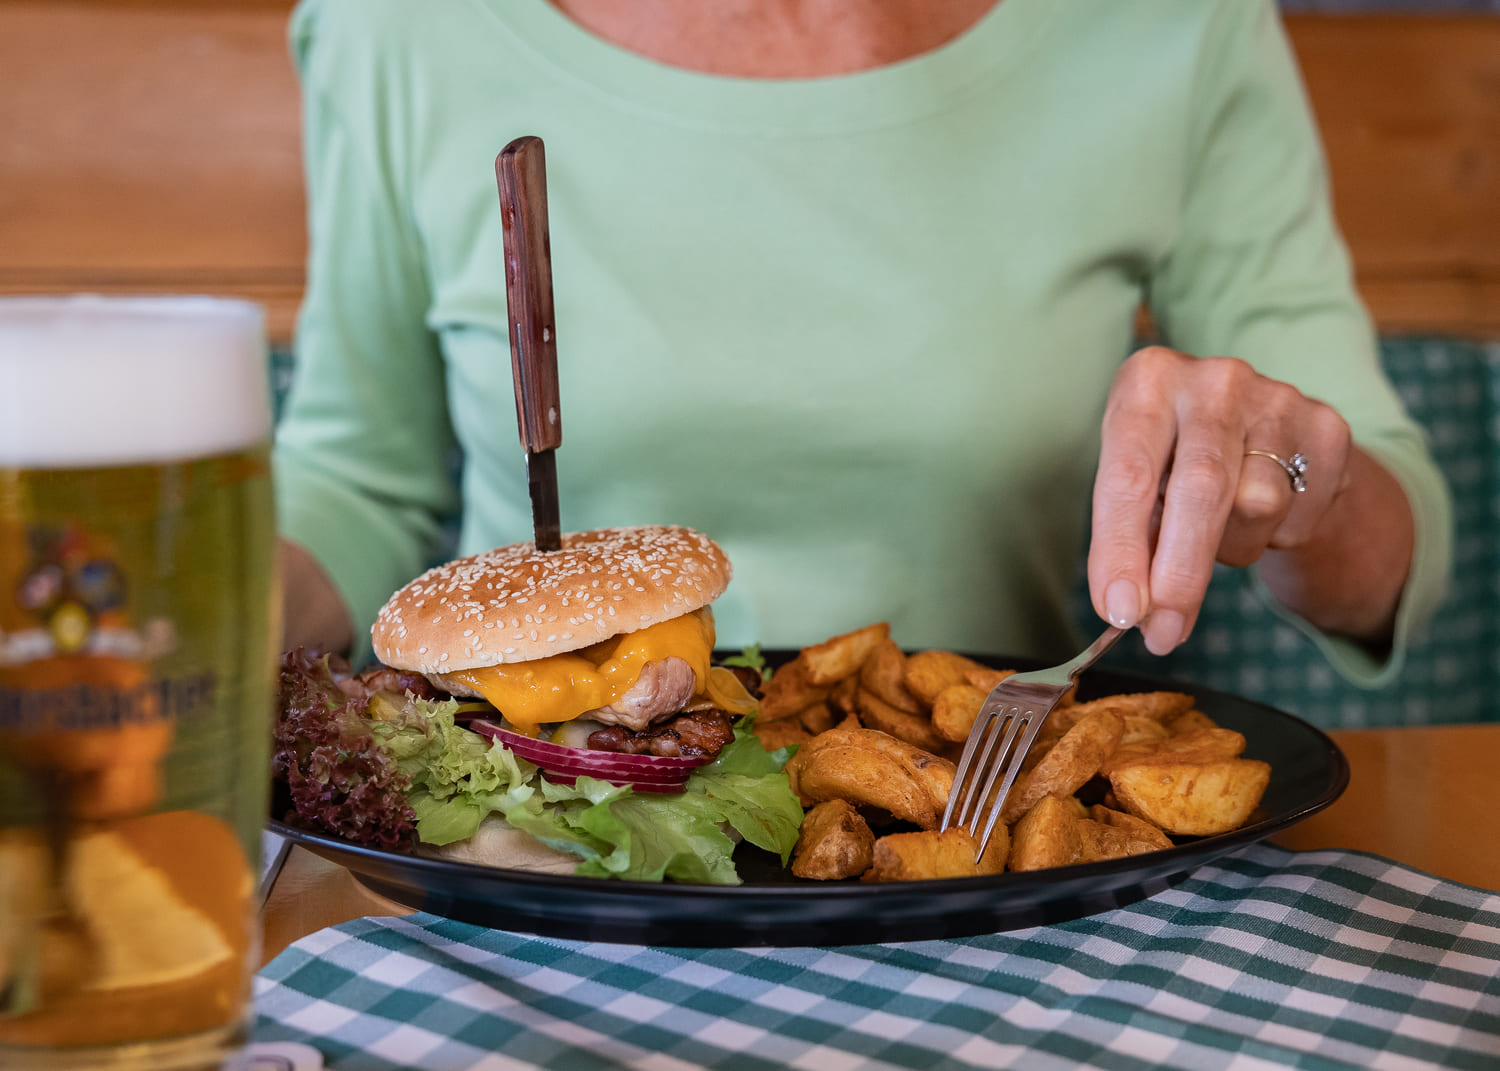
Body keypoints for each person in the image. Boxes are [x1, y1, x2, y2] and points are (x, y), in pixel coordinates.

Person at [275, 0, 1451, 687]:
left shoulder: (1169, 27)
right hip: (531, 884)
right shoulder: (400, 28)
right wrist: (170, 640)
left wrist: (1292, 479)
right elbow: (357, 483)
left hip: (1000, 863)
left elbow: (1385, 553)